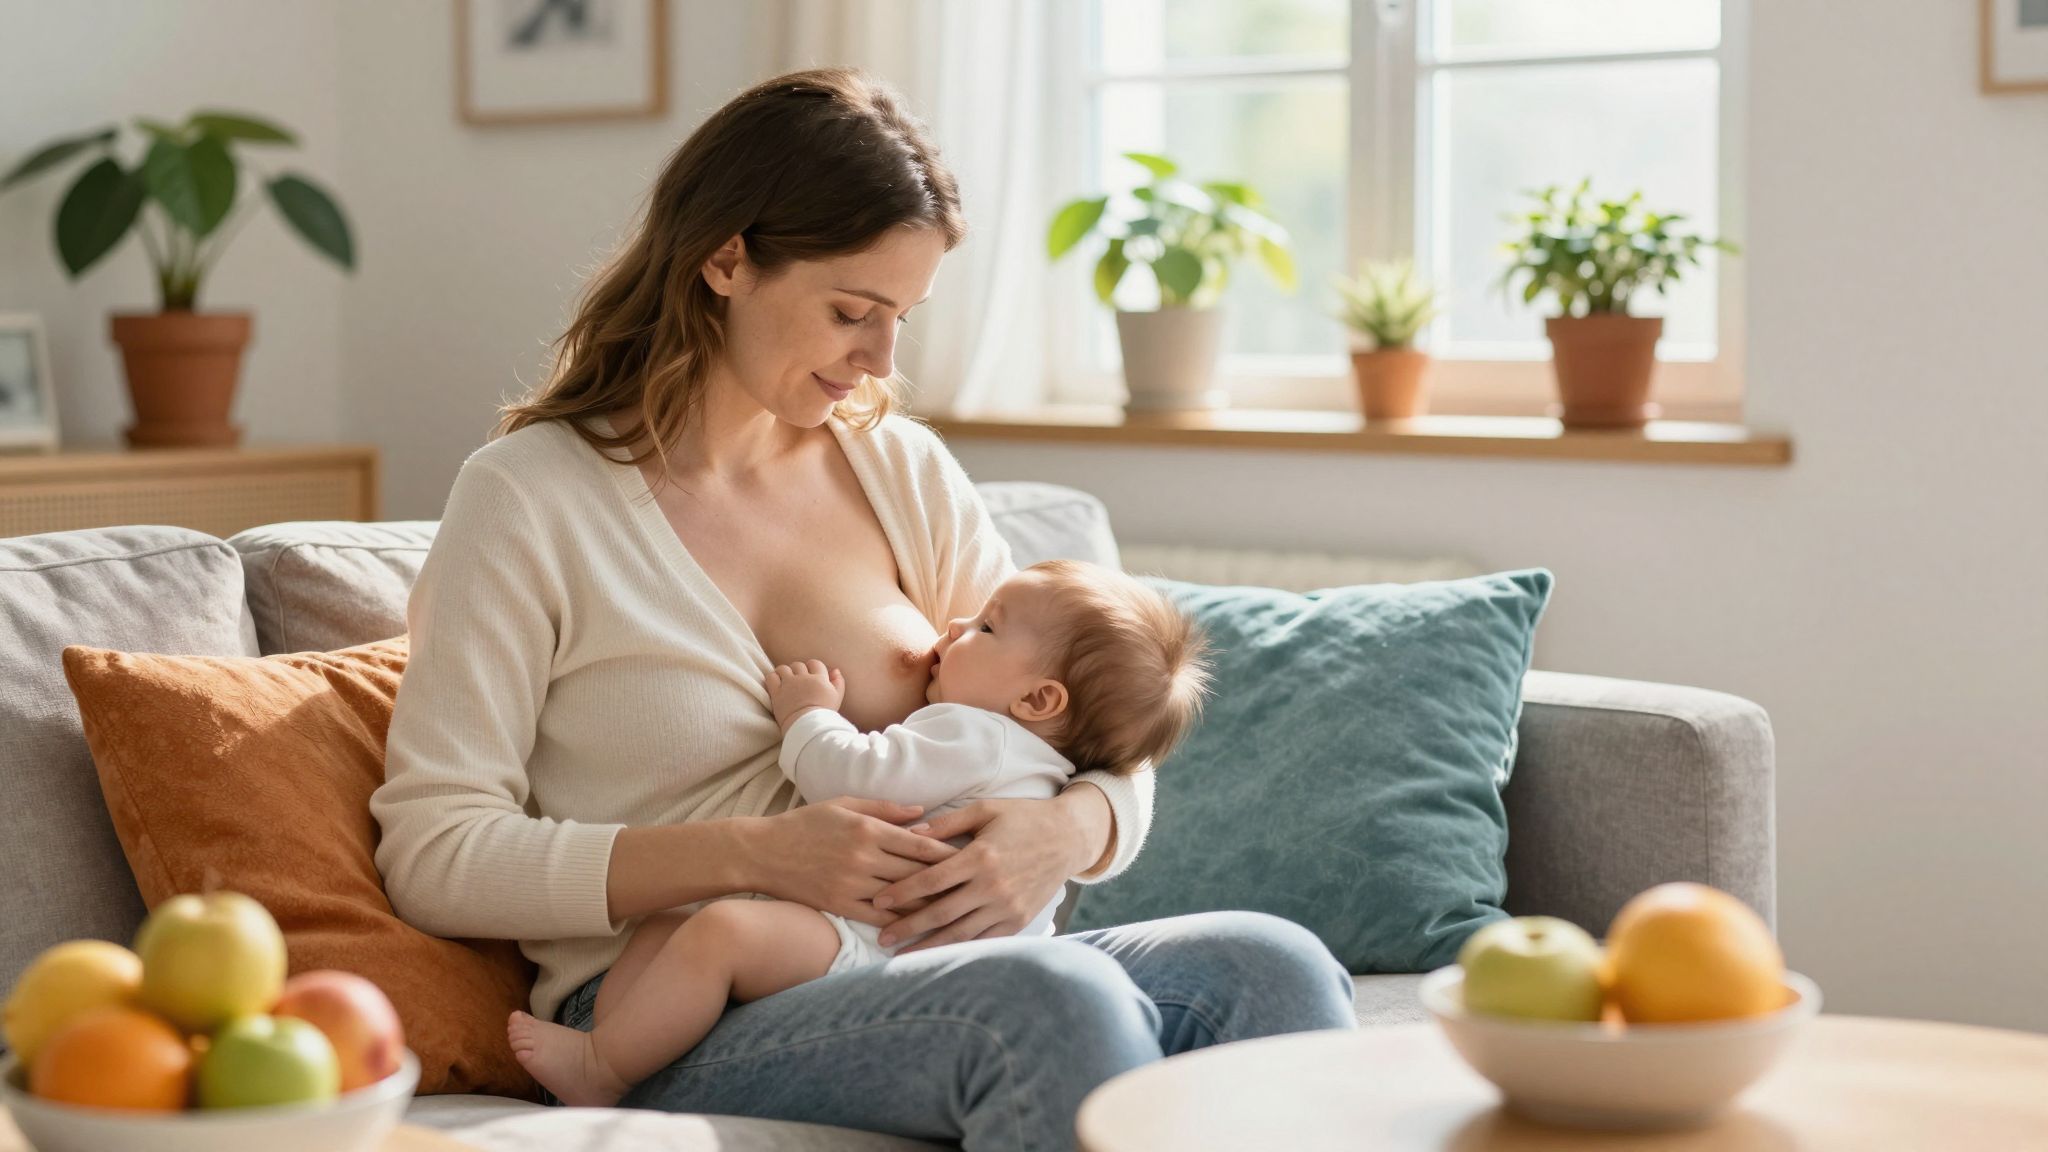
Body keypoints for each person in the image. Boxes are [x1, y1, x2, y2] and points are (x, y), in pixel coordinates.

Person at [371, 66, 1355, 1150]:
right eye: (851, 311)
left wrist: (1062, 831)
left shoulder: (899, 469)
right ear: (725, 257)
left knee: (1270, 966)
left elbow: (1080, 711)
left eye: (901, 318)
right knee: (1051, 1003)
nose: (881, 359)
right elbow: (437, 852)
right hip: (677, 1001)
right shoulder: (528, 500)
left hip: (910, 963)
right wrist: (755, 854)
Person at [507, 560, 1212, 1106]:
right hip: (950, 963)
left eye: (985, 628)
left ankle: (603, 1067)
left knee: (717, 932)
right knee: (676, 922)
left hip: (874, 950)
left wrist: (809, 715)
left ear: (1036, 699)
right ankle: (617, 1043)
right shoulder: (1036, 749)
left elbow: (856, 774)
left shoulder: (975, 732)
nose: (956, 624)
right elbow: (1117, 737)